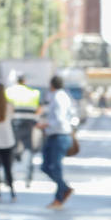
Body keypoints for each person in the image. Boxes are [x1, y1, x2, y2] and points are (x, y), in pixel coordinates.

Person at [38, 74, 78, 208]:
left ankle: (59, 197)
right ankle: (64, 189)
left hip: (59, 136)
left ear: (52, 85)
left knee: (55, 167)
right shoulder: (63, 96)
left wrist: (46, 124)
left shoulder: (59, 97)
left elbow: (60, 120)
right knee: (47, 167)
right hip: (56, 135)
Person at [7, 74, 41, 186]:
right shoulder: (33, 93)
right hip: (28, 124)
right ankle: (28, 176)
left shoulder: (9, 91)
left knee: (12, 149)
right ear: (25, 81)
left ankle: (9, 175)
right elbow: (38, 109)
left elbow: (7, 108)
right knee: (28, 149)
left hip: (15, 123)